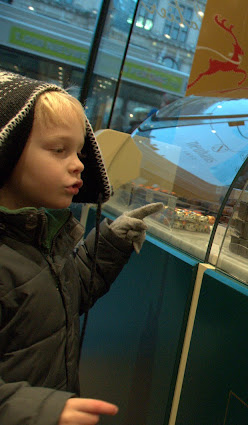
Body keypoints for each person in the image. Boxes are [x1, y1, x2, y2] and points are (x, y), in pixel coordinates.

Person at [0, 71, 163, 424]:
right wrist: (41, 411)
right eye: (59, 150)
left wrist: (111, 242)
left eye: (78, 151)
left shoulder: (37, 233)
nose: (78, 164)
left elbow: (59, 299)